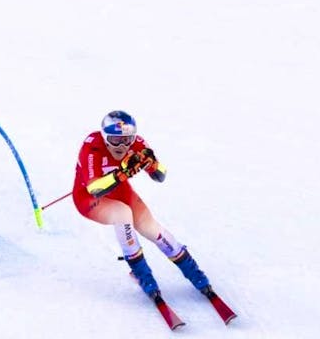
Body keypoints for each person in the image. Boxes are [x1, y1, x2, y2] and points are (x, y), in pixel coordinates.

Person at [72, 110, 215, 303]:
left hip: (121, 191)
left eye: (127, 139)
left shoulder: (137, 144)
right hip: (89, 199)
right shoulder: (92, 146)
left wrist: (152, 165)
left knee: (151, 229)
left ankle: (195, 274)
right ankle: (143, 275)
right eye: (115, 140)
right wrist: (121, 173)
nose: (122, 146)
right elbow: (94, 188)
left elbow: (161, 175)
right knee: (122, 214)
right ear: (105, 137)